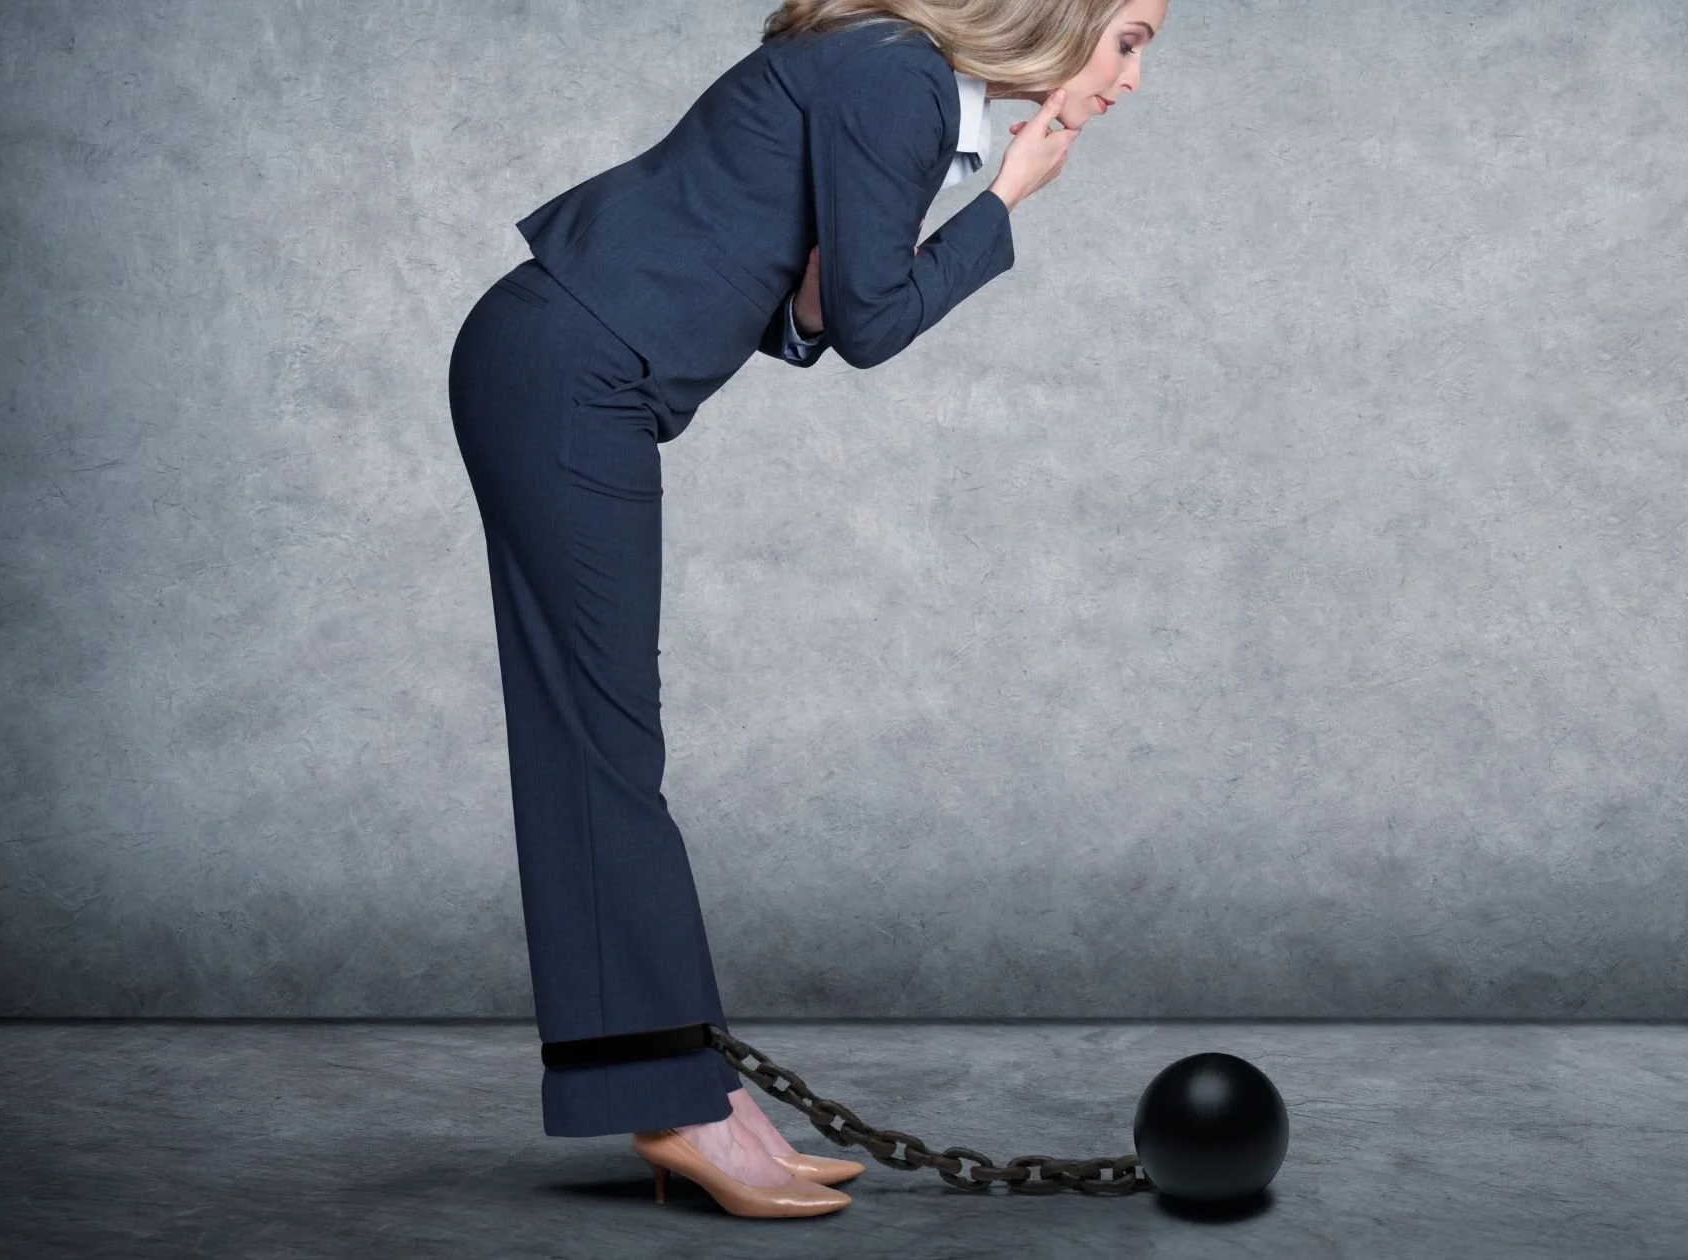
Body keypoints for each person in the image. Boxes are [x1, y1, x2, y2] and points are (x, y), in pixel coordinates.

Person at [446, 0, 1167, 1220]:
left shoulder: (898, 81)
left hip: (571, 368)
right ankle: (676, 1105)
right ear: (1061, 12)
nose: (1131, 79)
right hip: (568, 371)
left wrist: (954, 205)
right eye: (1131, 38)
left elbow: (822, 306)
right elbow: (874, 327)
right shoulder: (896, 76)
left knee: (603, 741)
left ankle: (699, 1093)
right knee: (601, 745)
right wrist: (1006, 199)